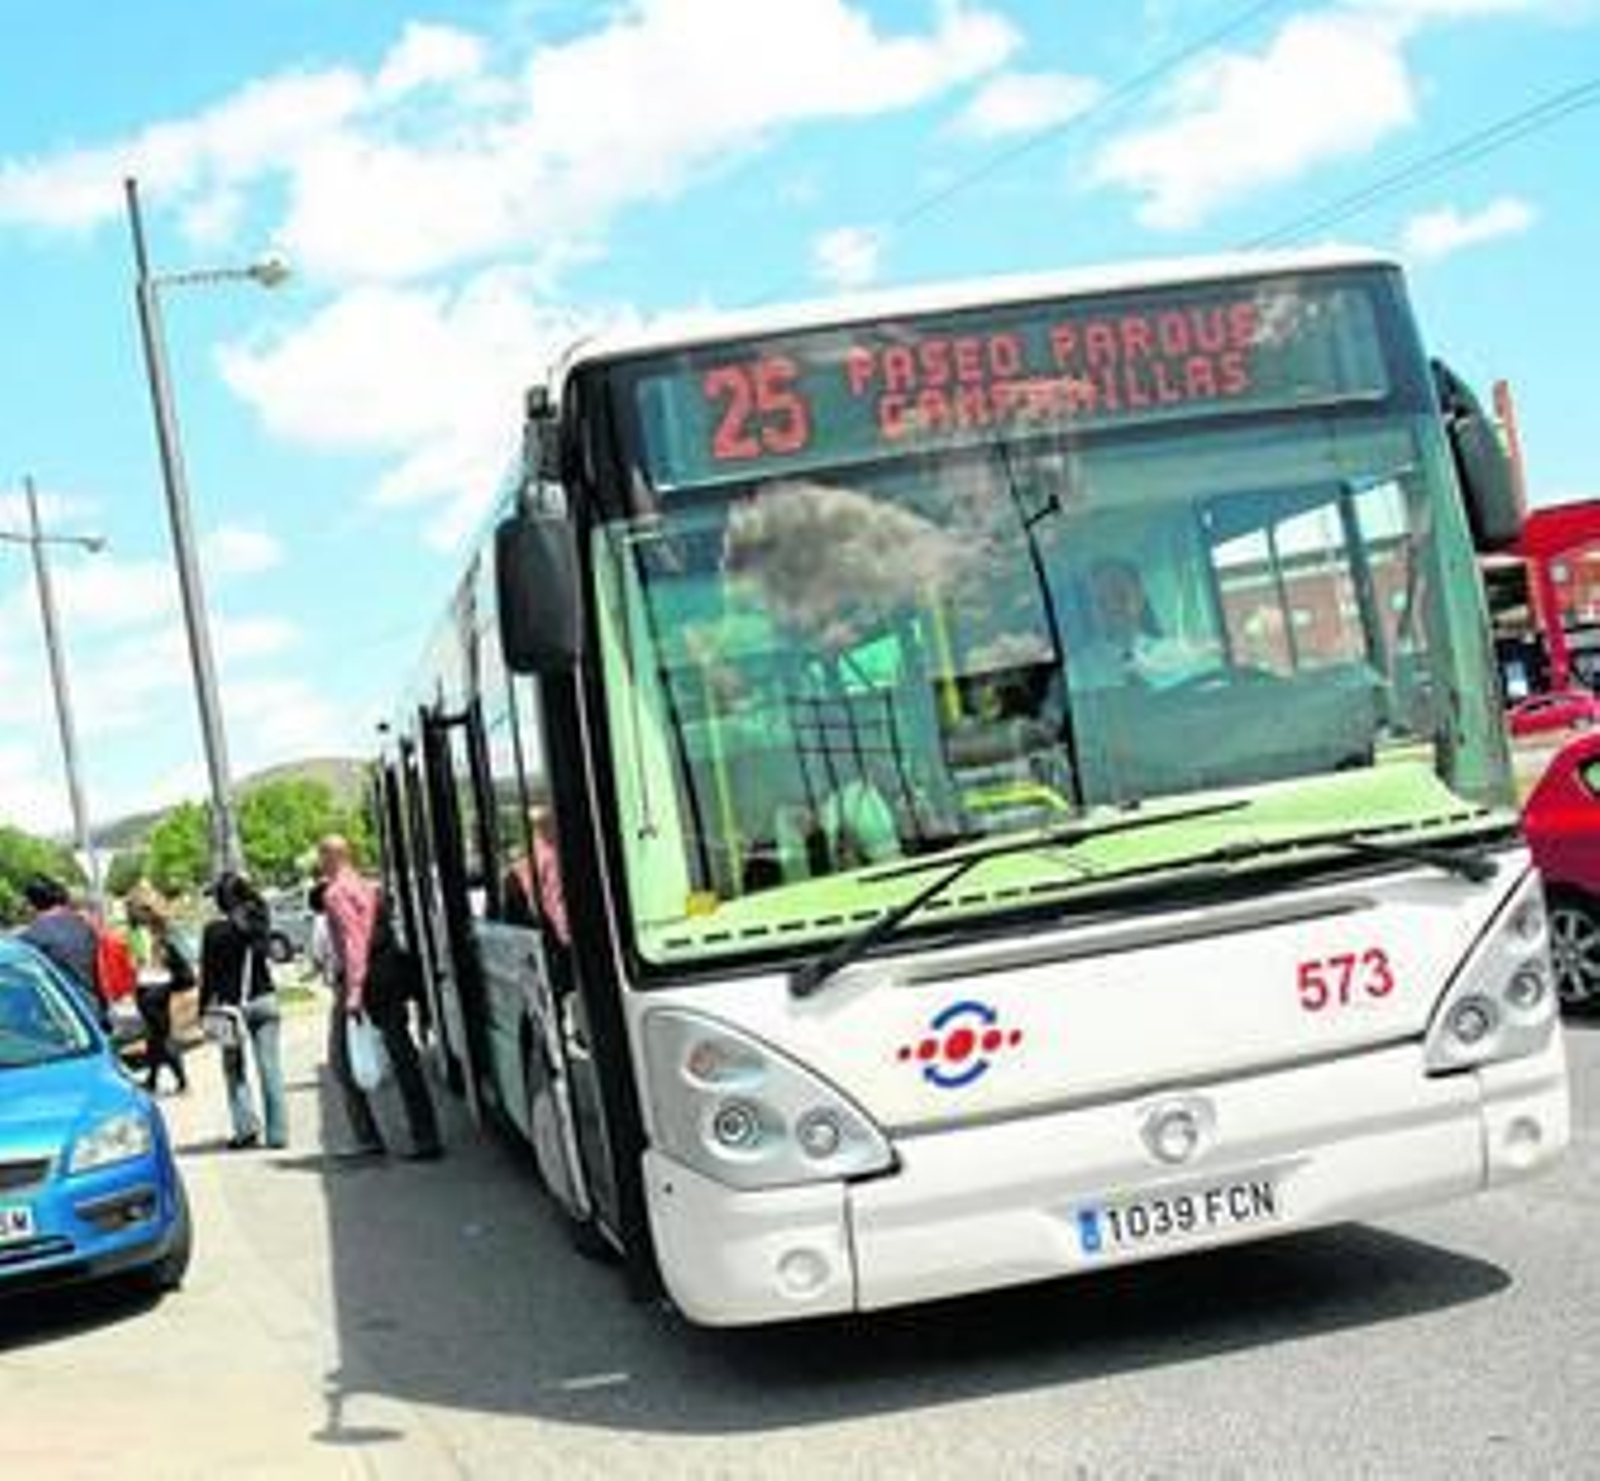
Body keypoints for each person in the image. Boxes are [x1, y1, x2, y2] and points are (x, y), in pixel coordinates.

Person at [318, 834, 441, 1161]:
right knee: (404, 1057)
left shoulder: (336, 892)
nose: (320, 863)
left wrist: (354, 993)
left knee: (342, 1061)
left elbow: (354, 942)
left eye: (321, 856)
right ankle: (425, 1135)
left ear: (331, 857)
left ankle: (368, 1138)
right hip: (389, 976)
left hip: (363, 981)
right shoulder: (367, 886)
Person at [199, 872, 288, 1149]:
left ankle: (246, 1130)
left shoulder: (213, 931)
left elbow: (209, 976)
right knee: (270, 1068)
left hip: (229, 1009)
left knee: (234, 1070)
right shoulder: (257, 922)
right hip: (264, 1000)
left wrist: (204, 1009)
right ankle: (278, 1134)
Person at [1074, 556, 1219, 689]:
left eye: (1121, 595)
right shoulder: (1076, 670)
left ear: (1140, 598)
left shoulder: (1177, 652)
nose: (1113, 606)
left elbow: (1212, 680)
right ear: (1091, 610)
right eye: (1101, 602)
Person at [127, 893, 194, 1094]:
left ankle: (182, 1081)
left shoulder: (139, 934)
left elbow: (138, 964)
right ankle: (153, 1079)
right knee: (155, 1036)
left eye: (129, 910)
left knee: (162, 1037)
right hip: (162, 988)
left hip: (148, 989)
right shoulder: (163, 931)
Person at [19, 875, 103, 1024]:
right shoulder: (84, 927)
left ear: (31, 904)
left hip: (61, 1020)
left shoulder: (31, 937)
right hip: (92, 1011)